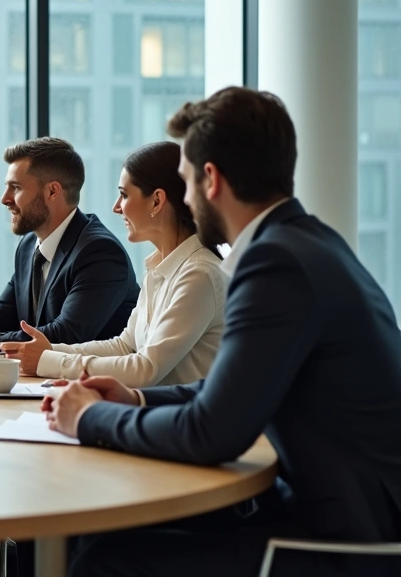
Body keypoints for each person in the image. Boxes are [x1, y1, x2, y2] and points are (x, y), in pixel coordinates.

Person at [45, 87, 401, 576]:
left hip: (341, 542)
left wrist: (88, 419)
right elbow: (225, 390)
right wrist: (136, 401)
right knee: (104, 536)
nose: (186, 199)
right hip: (329, 510)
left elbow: (211, 432)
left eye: (187, 182)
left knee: (103, 560)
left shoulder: (274, 263)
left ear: (210, 179)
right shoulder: (307, 242)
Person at [0, 141, 226, 388]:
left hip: (180, 421)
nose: (116, 207)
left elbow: (145, 368)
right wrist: (49, 349)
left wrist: (48, 360)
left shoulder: (198, 275)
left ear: (157, 201)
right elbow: (125, 345)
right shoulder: (160, 270)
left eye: (124, 194)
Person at [0, 137, 139, 363]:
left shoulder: (100, 252)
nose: (4, 199)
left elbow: (63, 335)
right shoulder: (30, 244)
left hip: (95, 390)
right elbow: (2, 314)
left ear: (52, 192)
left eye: (15, 188)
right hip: (42, 385)